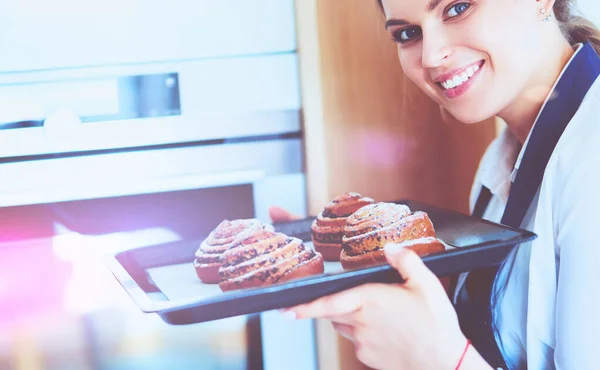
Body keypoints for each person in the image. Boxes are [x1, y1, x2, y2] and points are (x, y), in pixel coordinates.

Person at [272, 0, 600, 369]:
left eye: (457, 8)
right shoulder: (502, 158)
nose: (430, 56)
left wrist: (436, 356)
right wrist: (382, 281)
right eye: (408, 34)